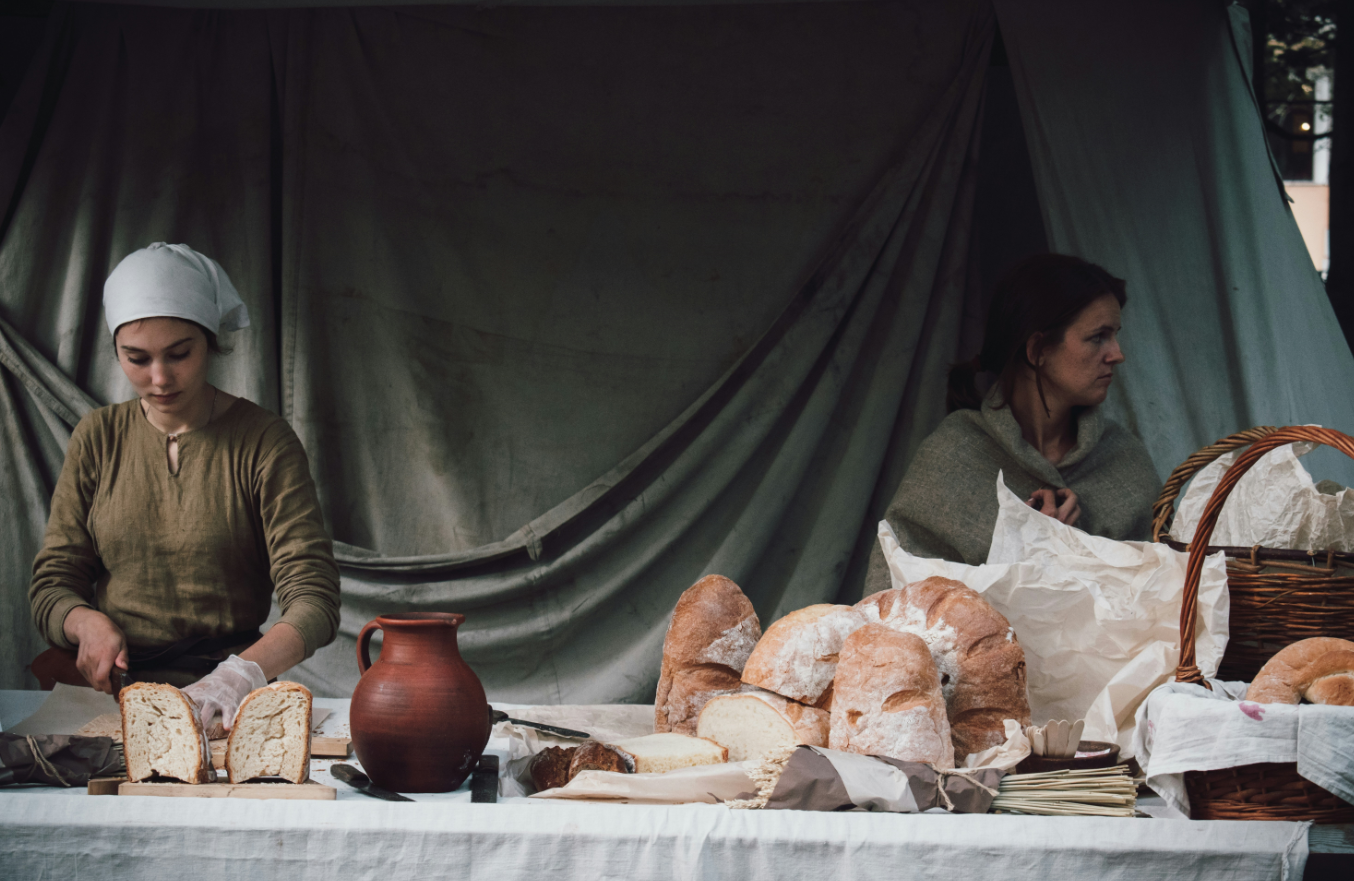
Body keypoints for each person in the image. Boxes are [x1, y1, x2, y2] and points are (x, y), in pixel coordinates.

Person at [28, 243, 340, 733]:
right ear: (116, 351)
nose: (158, 378)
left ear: (210, 341)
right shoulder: (97, 437)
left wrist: (241, 675)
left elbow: (314, 598)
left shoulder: (263, 441)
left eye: (179, 354)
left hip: (225, 703)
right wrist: (85, 623)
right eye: (136, 358)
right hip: (110, 699)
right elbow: (53, 583)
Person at [864, 253, 1162, 593]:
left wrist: (1068, 552)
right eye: (1098, 337)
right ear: (1037, 350)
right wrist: (1017, 552)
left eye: (1115, 335)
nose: (1117, 353)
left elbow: (1163, 596)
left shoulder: (1123, 459)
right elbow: (894, 596)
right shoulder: (955, 454)